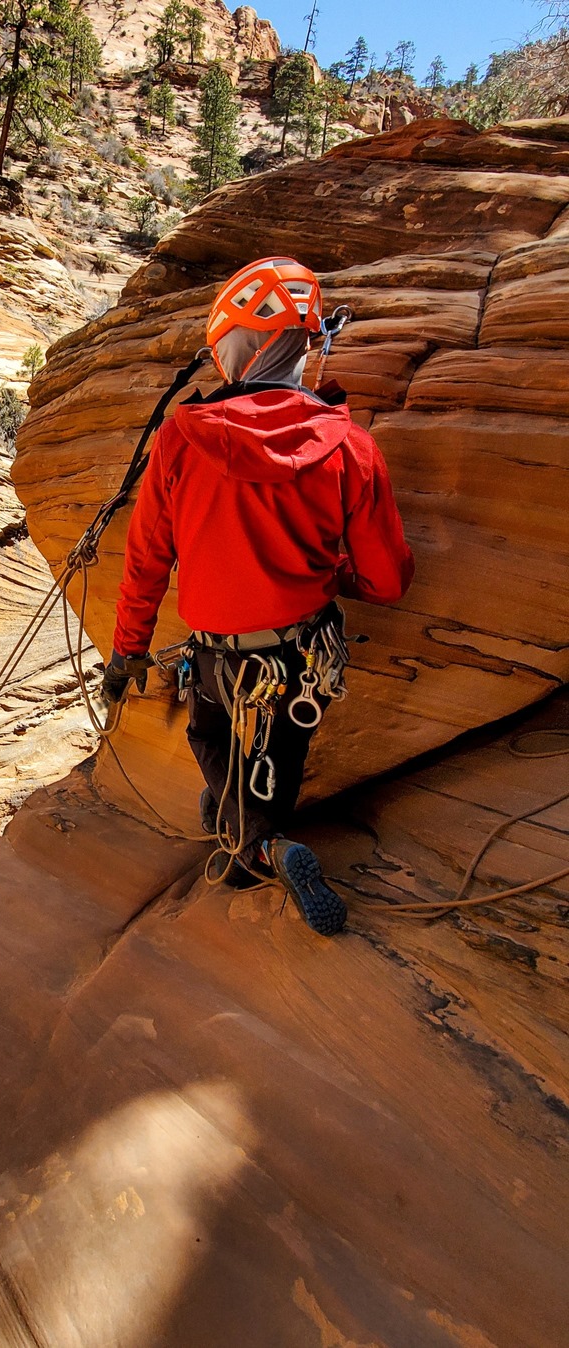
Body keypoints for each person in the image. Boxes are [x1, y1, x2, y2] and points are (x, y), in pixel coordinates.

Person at [102, 257, 414, 936]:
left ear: (236, 349)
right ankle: (254, 832)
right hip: (302, 657)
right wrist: (334, 576)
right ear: (309, 345)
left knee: (210, 736)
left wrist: (126, 653)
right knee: (277, 762)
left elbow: (147, 559)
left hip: (220, 658)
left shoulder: (182, 438)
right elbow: (387, 579)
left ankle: (264, 850)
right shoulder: (353, 447)